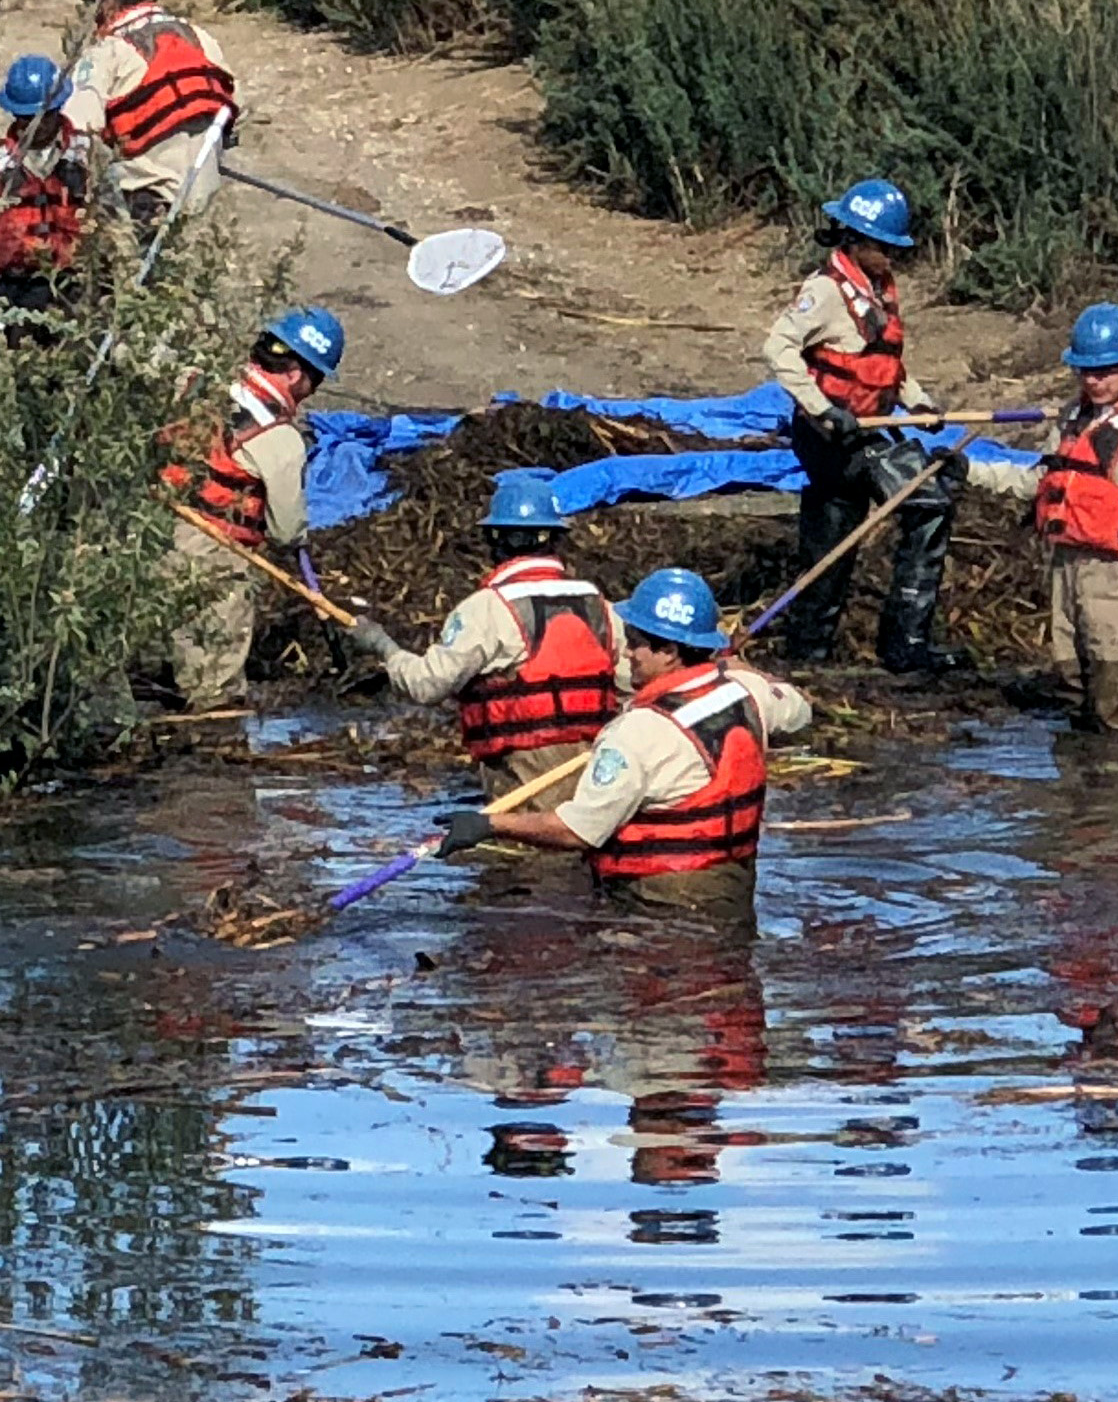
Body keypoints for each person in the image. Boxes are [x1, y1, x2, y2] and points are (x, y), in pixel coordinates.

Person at [446, 569, 812, 929]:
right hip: (730, 894)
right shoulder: (749, 692)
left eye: (636, 642)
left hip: (657, 903)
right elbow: (799, 709)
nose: (627, 653)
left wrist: (489, 825)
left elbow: (577, 831)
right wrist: (735, 667)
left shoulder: (636, 731)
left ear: (669, 651)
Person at [965, 303, 1118, 734]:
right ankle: (1083, 781)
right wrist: (969, 471)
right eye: (1086, 372)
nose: (1095, 381)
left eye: (1107, 371)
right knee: (1072, 676)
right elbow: (1044, 480)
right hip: (1070, 565)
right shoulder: (1074, 416)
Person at [761, 176, 966, 672]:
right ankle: (898, 646)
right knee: (925, 502)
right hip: (833, 435)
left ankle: (817, 649)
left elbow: (882, 363)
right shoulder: (826, 292)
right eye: (887, 249)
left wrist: (917, 404)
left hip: (869, 426)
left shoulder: (876, 290)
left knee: (837, 531)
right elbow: (777, 347)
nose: (894, 259)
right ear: (858, 241)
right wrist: (821, 409)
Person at [349, 469, 627, 800]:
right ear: (555, 539)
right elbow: (629, 689)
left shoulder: (488, 608)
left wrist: (383, 646)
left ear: (495, 540)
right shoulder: (599, 605)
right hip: (594, 774)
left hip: (524, 776)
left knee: (523, 848)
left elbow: (428, 685)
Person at [164, 306, 341, 708]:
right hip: (212, 545)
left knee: (169, 638)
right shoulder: (280, 439)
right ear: (297, 374)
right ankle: (213, 732)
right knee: (215, 668)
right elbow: (285, 531)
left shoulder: (203, 379)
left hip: (155, 525)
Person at [62, 0, 237, 229]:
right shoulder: (199, 37)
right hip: (204, 198)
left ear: (104, 1)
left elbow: (76, 128)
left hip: (143, 205)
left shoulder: (107, 53)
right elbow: (234, 110)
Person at [0, 53, 94, 317]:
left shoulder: (87, 155)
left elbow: (116, 222)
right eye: (28, 117)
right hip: (14, 290)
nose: (38, 125)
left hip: (73, 286)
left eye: (46, 116)